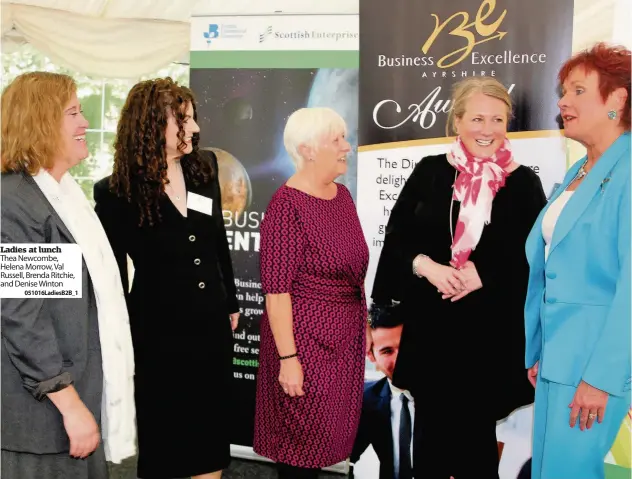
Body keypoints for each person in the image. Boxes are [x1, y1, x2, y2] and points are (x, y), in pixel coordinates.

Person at [371, 76, 547, 478]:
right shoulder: (430, 172)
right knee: (430, 446)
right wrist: (427, 266)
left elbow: (535, 259)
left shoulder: (523, 183)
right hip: (433, 334)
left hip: (486, 340)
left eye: (497, 119)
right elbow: (397, 240)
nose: (487, 130)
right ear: (457, 121)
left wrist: (484, 273)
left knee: (476, 452)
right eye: (478, 119)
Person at [93, 78, 240, 479]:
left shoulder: (204, 168)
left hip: (211, 327)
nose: (194, 129)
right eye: (184, 120)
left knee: (211, 437)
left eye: (193, 119)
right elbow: (112, 273)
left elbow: (217, 241)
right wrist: (122, 332)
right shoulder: (116, 192)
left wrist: (229, 302)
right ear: (153, 125)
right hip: (159, 334)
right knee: (167, 439)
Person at [1, 72, 136, 478]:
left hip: (77, 398)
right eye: (73, 113)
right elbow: (24, 318)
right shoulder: (17, 203)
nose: (84, 124)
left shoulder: (64, 194)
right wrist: (70, 404)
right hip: (44, 419)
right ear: (40, 122)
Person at [524, 42, 631, 479]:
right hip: (556, 359)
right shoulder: (580, 170)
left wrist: (602, 377)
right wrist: (539, 348)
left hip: (594, 365)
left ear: (617, 100)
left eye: (578, 91)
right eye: (562, 91)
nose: (563, 102)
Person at [253, 107, 369, 479]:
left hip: (343, 344)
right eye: (336, 140)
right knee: (299, 452)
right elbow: (276, 293)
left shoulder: (343, 196)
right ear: (308, 149)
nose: (346, 147)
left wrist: (362, 326)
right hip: (303, 347)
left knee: (324, 448)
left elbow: (353, 274)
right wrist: (288, 359)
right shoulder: (287, 206)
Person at [350, 303, 415, 479]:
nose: (401, 359)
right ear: (371, 356)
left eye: (406, 346)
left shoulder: (452, 395)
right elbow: (341, 461)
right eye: (387, 351)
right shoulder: (365, 399)